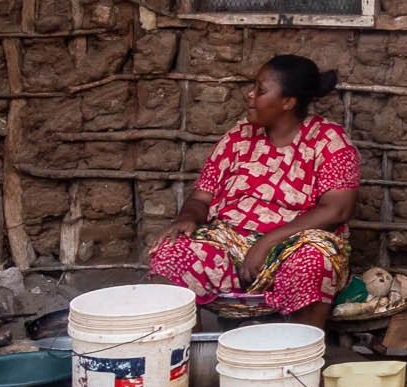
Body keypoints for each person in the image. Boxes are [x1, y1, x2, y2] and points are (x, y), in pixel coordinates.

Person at [149, 55, 360, 329]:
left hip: (294, 243)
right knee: (169, 253)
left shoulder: (329, 141)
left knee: (313, 262)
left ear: (288, 102)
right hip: (228, 240)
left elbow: (337, 209)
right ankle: (190, 351)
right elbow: (201, 197)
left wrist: (267, 242)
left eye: (260, 90)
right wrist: (187, 217)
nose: (249, 95)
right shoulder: (238, 137)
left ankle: (297, 349)